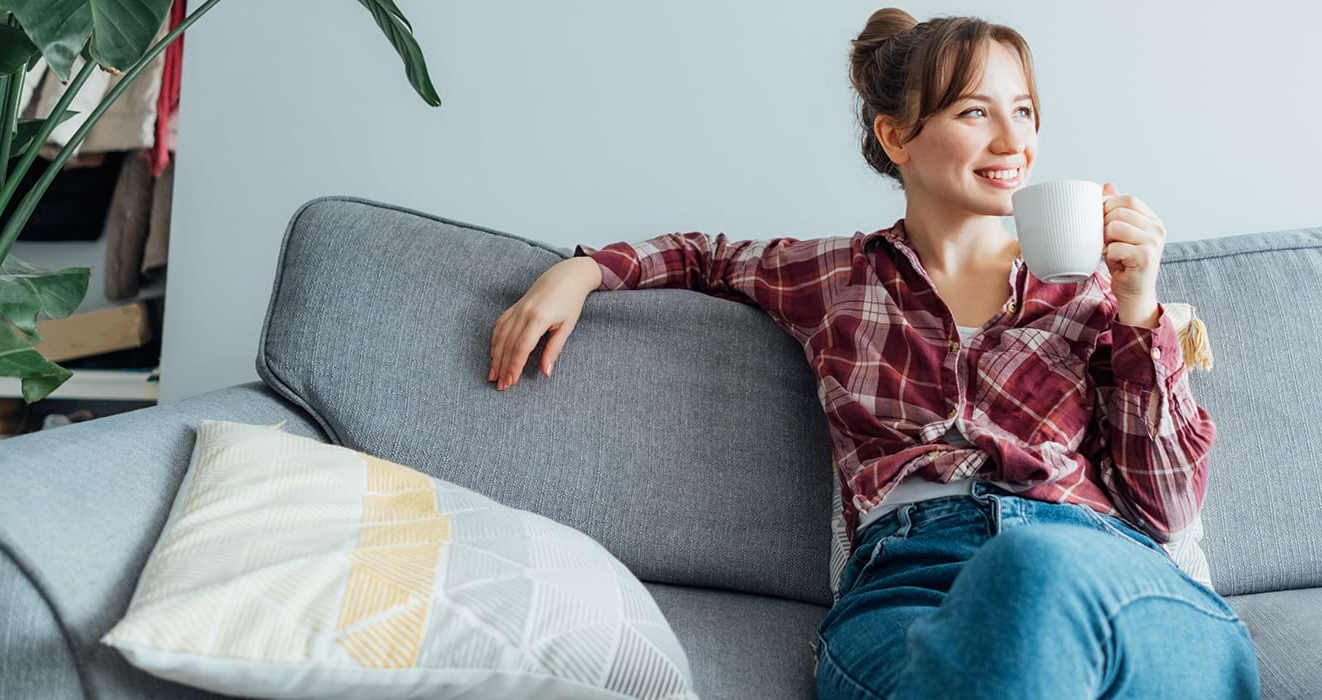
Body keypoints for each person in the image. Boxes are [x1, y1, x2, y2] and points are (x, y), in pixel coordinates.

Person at [487, 7, 1261, 699]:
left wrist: (1139, 309)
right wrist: (582, 271)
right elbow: (705, 257)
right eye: (975, 112)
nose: (1014, 139)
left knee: (1037, 575)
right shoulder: (833, 278)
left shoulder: (1094, 294)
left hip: (1093, 568)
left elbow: (1166, 507)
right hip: (908, 588)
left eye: (1024, 111)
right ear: (897, 136)